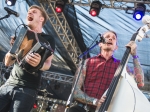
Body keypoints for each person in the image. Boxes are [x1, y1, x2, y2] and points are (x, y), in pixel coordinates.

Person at [68, 31, 144, 112]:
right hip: (82, 108)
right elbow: (75, 91)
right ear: (100, 43)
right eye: (107, 36)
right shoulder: (87, 62)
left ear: (116, 47)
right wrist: (95, 101)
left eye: (114, 38)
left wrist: (135, 56)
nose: (110, 38)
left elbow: (140, 83)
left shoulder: (122, 67)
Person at [0, 5, 55, 112]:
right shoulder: (21, 34)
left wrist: (39, 63)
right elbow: (7, 63)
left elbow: (48, 64)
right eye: (29, 12)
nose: (29, 13)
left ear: (41, 19)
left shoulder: (48, 39)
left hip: (27, 88)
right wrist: (13, 50)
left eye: (34, 12)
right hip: (8, 84)